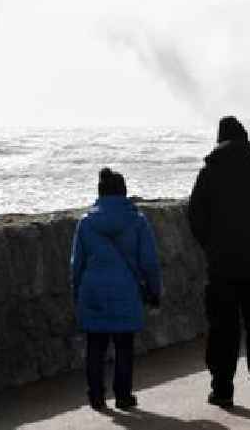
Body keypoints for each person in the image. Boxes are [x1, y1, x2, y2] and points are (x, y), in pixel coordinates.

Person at [188, 116, 250, 408]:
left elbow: (196, 217)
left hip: (221, 267)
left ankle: (222, 391)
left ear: (219, 141)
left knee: (222, 329)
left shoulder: (208, 175)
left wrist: (212, 247)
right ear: (246, 140)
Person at [71, 168, 162, 411]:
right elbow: (150, 262)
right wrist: (155, 292)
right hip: (126, 290)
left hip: (93, 291)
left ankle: (96, 397)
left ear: (99, 193)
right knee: (124, 346)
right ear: (124, 192)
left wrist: (76, 292)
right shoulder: (138, 220)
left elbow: (76, 264)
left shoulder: (86, 223)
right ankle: (123, 395)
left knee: (95, 346)